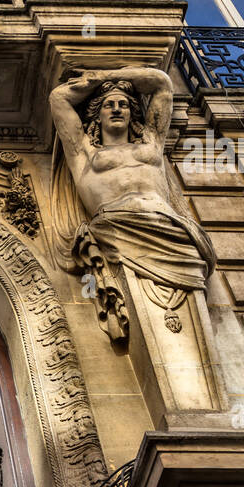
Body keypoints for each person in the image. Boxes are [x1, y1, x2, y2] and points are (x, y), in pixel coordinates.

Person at [49, 67, 216, 335]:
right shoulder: (83, 152)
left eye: (123, 104)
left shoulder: (151, 143)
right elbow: (59, 99)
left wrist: (109, 75)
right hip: (118, 229)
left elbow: (162, 83)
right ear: (97, 114)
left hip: (171, 229)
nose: (117, 109)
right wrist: (93, 80)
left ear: (131, 112)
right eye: (109, 105)